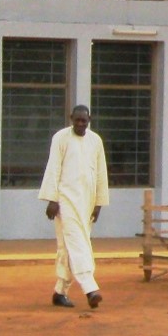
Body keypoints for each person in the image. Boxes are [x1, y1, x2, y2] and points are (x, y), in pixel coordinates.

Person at [39, 104, 110, 310]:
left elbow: (100, 173)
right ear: (71, 118)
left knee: (69, 247)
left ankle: (60, 291)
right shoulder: (61, 138)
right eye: (77, 120)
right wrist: (52, 199)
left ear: (89, 120)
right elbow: (54, 167)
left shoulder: (96, 141)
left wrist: (99, 203)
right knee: (78, 243)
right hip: (65, 200)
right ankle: (90, 289)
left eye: (84, 121)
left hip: (87, 202)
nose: (80, 124)